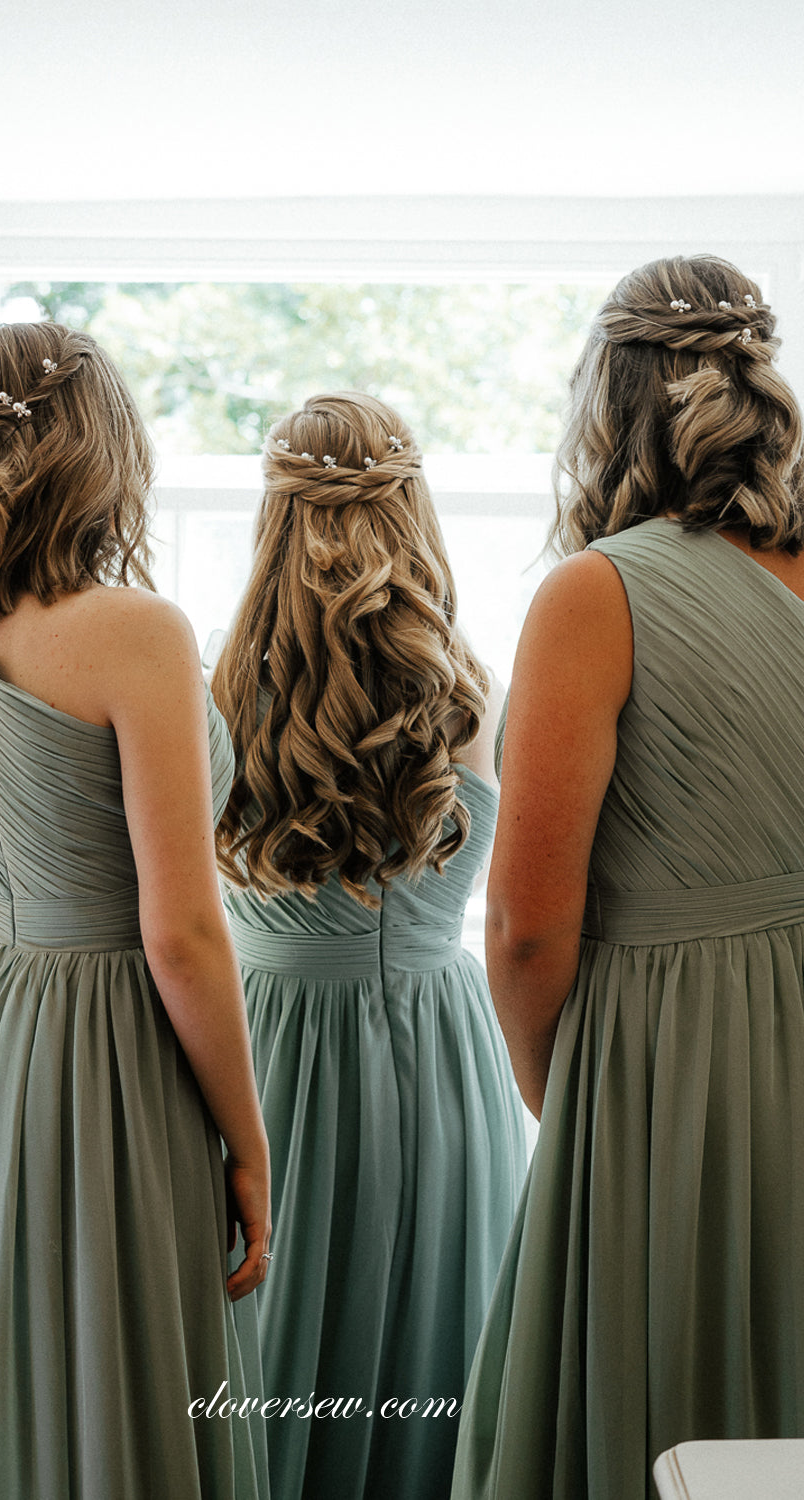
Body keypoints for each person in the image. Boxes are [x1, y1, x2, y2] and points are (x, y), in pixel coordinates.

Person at [0, 323, 271, 1500]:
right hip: (120, 1047)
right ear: (102, 450)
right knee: (128, 1379)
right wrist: (249, 1149)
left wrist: (10, 1036)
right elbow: (182, 934)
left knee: (0, 1372)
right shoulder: (137, 632)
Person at [450, 255, 804, 1500]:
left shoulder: (596, 592)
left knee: (656, 1391)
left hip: (662, 1059)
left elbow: (525, 925)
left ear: (609, 399)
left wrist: (566, 1093)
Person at [211, 392, 526, 1500]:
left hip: (264, 1054)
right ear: (414, 511)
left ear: (273, 518)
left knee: (270, 1358)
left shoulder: (212, 695)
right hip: (441, 1055)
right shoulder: (469, 696)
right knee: (434, 1345)